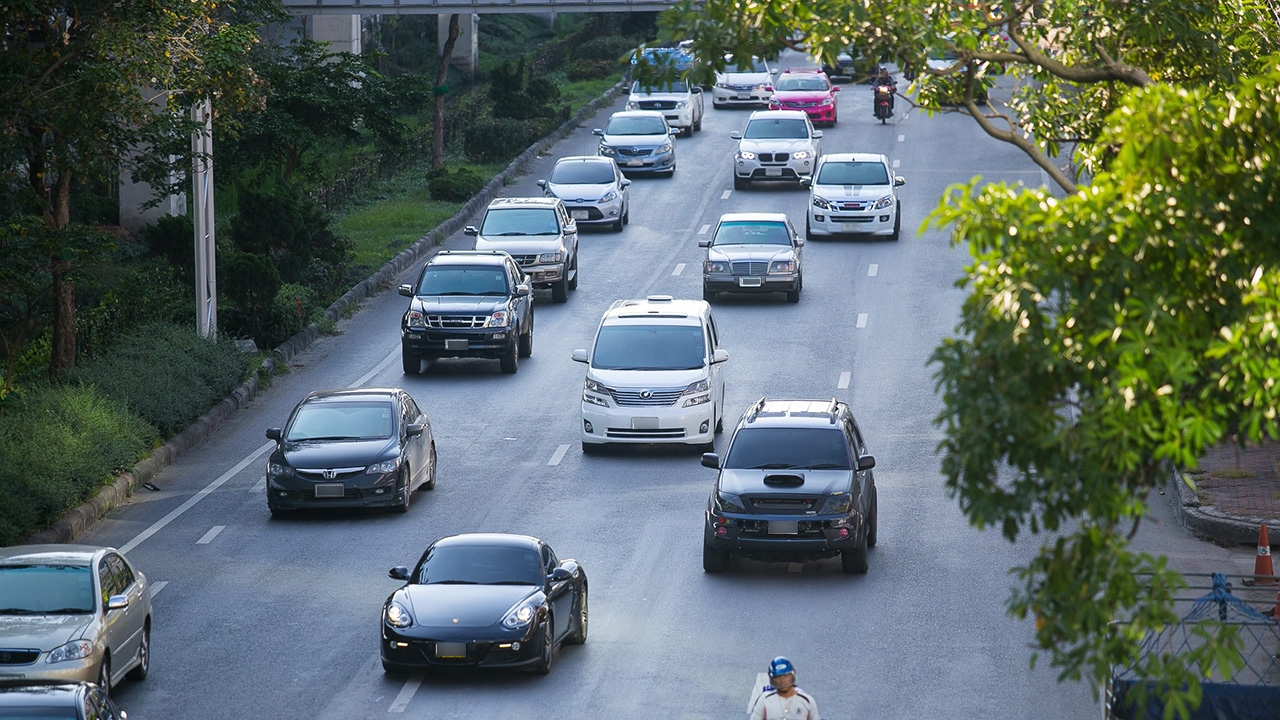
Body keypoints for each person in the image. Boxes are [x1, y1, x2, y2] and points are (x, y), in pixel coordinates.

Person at [748, 656, 820, 720]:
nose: (782, 681)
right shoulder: (765, 700)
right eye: (778, 677)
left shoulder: (806, 701)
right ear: (772, 679)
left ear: (792, 675)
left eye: (785, 676)